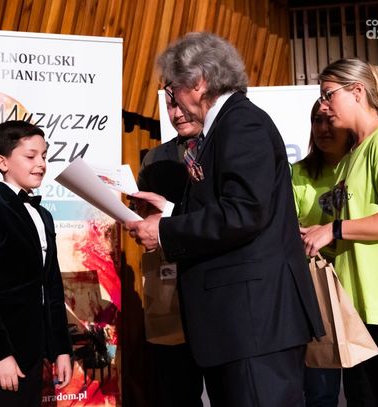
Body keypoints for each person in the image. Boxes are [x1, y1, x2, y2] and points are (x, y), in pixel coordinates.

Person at [125, 32, 324, 407]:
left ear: (198, 82)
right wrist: (170, 211)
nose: (172, 102)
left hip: (253, 324)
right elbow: (233, 207)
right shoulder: (225, 126)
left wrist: (165, 231)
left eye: (173, 90)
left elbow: (244, 212)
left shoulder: (241, 124)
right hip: (239, 326)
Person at [300, 58, 378, 407]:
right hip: (355, 313)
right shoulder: (352, 155)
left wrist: (334, 228)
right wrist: (316, 233)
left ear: (357, 91)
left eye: (328, 94)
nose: (323, 105)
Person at [0, 120, 72, 406]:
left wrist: (61, 348)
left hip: (34, 351)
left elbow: (52, 286)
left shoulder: (44, 215)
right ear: (3, 162)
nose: (41, 164)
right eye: (31, 156)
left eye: (44, 155)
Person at [137, 89, 204, 407]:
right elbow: (145, 216)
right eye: (169, 105)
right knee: (177, 388)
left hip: (215, 282)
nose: (176, 113)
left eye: (181, 104)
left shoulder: (222, 148)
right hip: (168, 283)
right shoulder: (155, 158)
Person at [292, 101, 353, 407]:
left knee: (366, 390)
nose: (323, 128)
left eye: (331, 120)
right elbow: (282, 227)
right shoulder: (298, 172)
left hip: (359, 287)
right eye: (317, 120)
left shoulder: (358, 167)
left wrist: (331, 230)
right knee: (320, 391)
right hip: (317, 290)